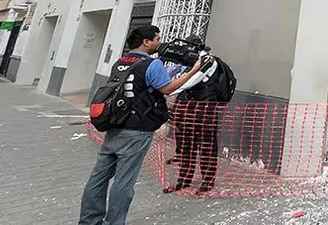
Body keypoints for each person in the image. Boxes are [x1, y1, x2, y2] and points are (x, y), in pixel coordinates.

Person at [78, 25, 203, 225]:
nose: (159, 42)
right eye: (157, 38)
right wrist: (193, 71)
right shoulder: (150, 65)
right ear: (146, 41)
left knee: (98, 178)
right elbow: (167, 88)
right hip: (136, 130)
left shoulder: (121, 61)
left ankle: (89, 221)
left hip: (114, 125)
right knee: (124, 182)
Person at [164, 37, 234, 195]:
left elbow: (190, 82)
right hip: (188, 108)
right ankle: (184, 179)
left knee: (206, 146)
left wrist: (166, 90)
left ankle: (207, 181)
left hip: (205, 109)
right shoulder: (189, 63)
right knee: (186, 144)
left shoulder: (208, 61)